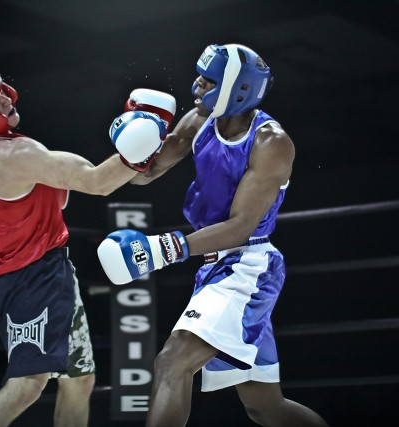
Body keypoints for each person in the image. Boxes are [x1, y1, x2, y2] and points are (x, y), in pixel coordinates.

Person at [97, 44, 330, 426]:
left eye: (209, 81)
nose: (197, 86)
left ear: (237, 89)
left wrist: (165, 248)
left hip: (248, 266)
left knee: (172, 362)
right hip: (213, 267)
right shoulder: (199, 120)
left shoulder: (271, 142)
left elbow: (241, 227)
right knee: (264, 406)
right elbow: (146, 173)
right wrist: (133, 143)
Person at [0, 63, 176, 427]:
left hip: (45, 271)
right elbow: (98, 182)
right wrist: (144, 139)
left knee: (79, 381)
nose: (4, 98)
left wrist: (10, 203)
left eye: (0, 89)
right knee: (27, 385)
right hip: (31, 279)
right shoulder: (19, 156)